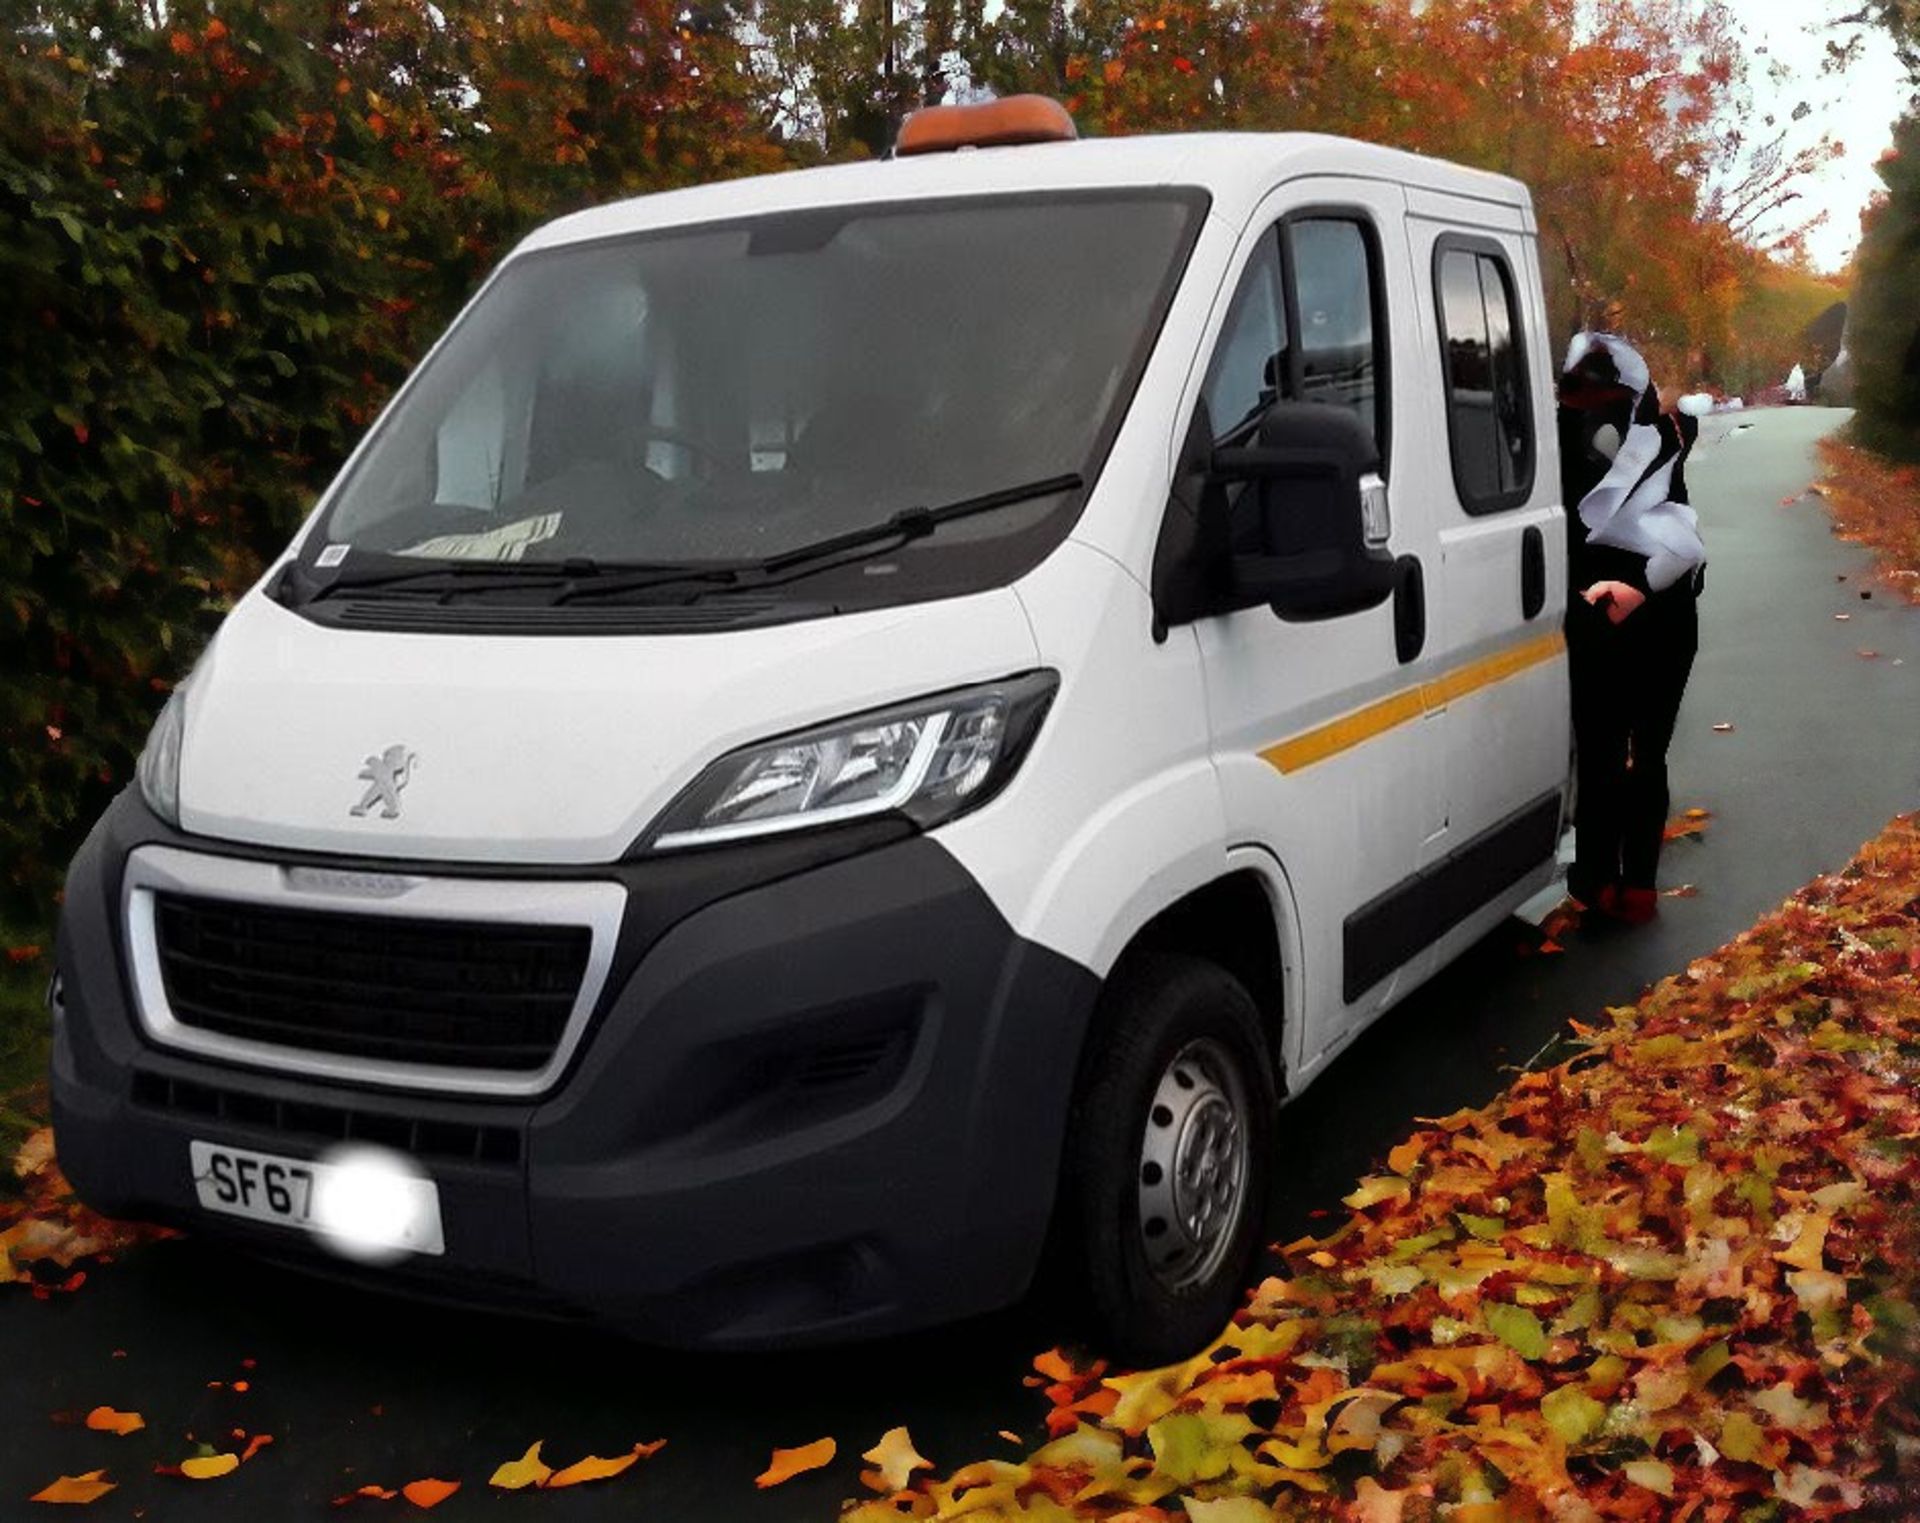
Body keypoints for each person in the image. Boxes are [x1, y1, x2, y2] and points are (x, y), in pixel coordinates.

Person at [1555, 331, 1708, 924]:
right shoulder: (1667, 433)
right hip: (1663, 611)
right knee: (1646, 753)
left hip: (1604, 608)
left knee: (1602, 751)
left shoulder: (1563, 436)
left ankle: (1599, 883)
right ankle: (1633, 886)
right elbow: (1680, 537)